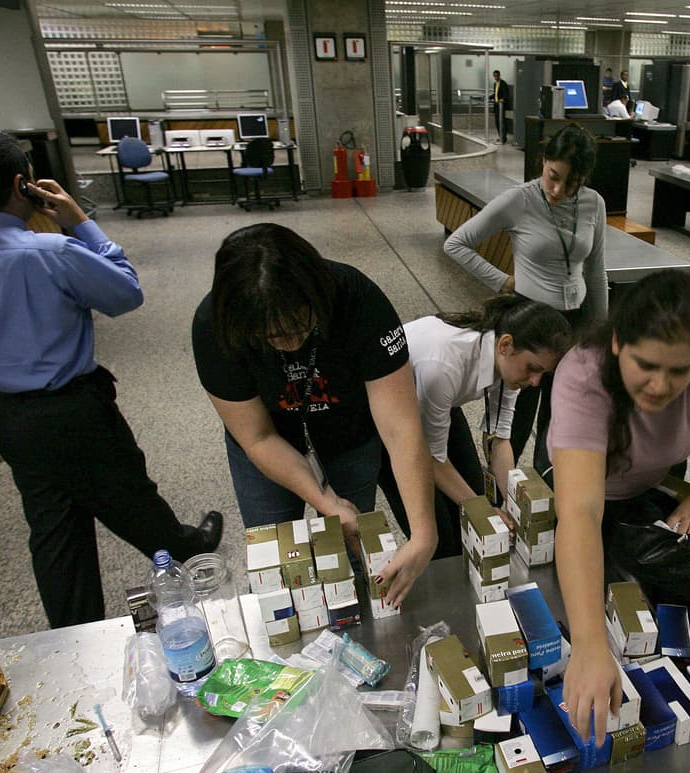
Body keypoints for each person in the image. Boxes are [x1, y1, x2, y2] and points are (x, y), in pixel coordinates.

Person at [0, 128, 223, 629]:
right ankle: (186, 548)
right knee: (126, 491)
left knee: (54, 528)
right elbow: (125, 294)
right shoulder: (53, 252)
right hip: (73, 407)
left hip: (8, 412)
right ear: (23, 183)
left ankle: (72, 635)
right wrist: (81, 223)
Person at [546, 271, 690, 745]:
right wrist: (587, 644)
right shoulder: (583, 377)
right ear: (617, 344)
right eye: (645, 365)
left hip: (649, 487)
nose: (659, 385)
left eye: (679, 372)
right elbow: (580, 514)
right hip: (587, 496)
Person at [191, 224, 436, 607]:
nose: (288, 344)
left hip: (349, 431)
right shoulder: (214, 325)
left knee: (353, 548)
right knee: (276, 561)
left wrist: (423, 533)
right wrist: (324, 501)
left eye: (299, 328)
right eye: (272, 337)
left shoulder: (358, 298)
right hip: (269, 440)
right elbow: (256, 437)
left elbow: (401, 428)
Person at [443, 123, 607, 475]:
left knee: (561, 415)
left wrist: (601, 331)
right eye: (553, 176)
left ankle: (545, 486)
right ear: (543, 161)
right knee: (512, 417)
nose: (559, 189)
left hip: (574, 324)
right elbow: (456, 243)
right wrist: (502, 281)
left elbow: (595, 271)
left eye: (571, 183)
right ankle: (501, 493)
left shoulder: (594, 204)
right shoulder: (520, 199)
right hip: (528, 321)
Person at [379, 294, 573, 557]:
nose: (536, 382)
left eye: (543, 373)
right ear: (506, 344)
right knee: (442, 539)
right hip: (388, 418)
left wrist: (513, 503)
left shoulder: (508, 363)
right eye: (533, 369)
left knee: (475, 499)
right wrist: (481, 508)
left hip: (438, 403)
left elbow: (500, 438)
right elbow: (431, 458)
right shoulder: (443, 366)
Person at [491, 70, 512, 144]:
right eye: (494, 76)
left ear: (499, 75)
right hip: (496, 105)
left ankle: (503, 137)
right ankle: (500, 136)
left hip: (501, 106)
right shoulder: (495, 84)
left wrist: (503, 99)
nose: (496, 77)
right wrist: (489, 97)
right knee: (497, 121)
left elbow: (506, 94)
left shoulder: (503, 83)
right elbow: (495, 94)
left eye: (497, 76)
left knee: (502, 121)